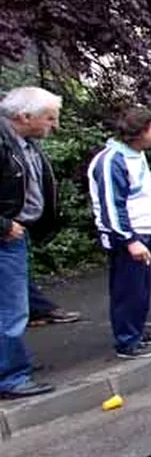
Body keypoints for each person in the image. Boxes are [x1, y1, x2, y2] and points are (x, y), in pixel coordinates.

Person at [88, 108, 151, 360]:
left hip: (141, 231)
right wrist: (129, 239)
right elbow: (113, 205)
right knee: (128, 288)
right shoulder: (112, 160)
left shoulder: (137, 155)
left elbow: (143, 191)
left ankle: (136, 331)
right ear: (139, 133)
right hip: (127, 236)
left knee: (141, 288)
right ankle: (127, 342)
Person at [0, 87, 63, 398]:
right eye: (49, 118)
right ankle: (11, 378)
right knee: (10, 310)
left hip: (17, 234)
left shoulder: (23, 142)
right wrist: (3, 224)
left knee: (15, 306)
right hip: (5, 237)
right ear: (24, 116)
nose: (54, 125)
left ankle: (12, 363)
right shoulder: (3, 143)